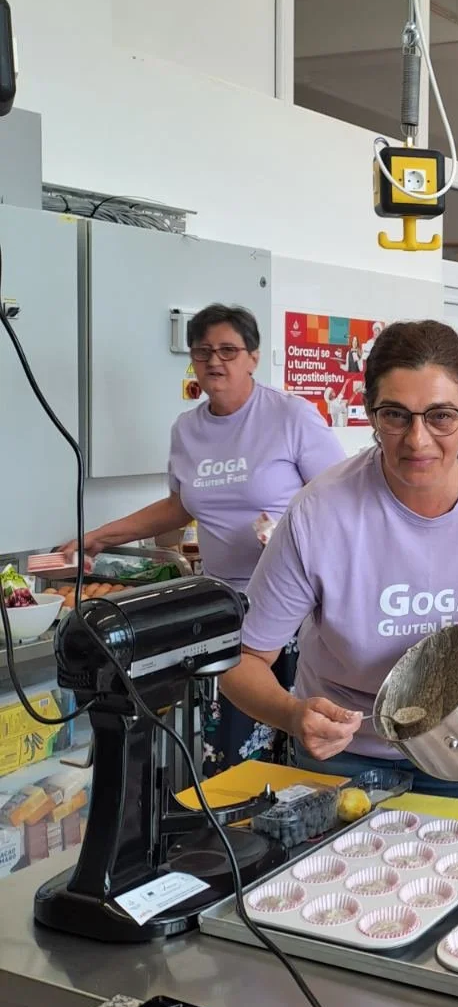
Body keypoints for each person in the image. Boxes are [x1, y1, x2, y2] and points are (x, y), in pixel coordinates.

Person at [219, 319, 458, 804]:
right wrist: (294, 716)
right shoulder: (322, 511)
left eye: (441, 416)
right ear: (370, 413)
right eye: (396, 415)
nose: (417, 440)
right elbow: (243, 660)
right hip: (344, 753)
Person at [68, 304, 345, 770]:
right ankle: (235, 833)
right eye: (203, 352)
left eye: (228, 350)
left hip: (291, 608)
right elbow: (181, 505)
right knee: (232, 746)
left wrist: (287, 537)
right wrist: (100, 534)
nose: (215, 361)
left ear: (253, 356)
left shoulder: (290, 417)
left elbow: (339, 501)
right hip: (224, 609)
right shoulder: (188, 430)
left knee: (301, 738)